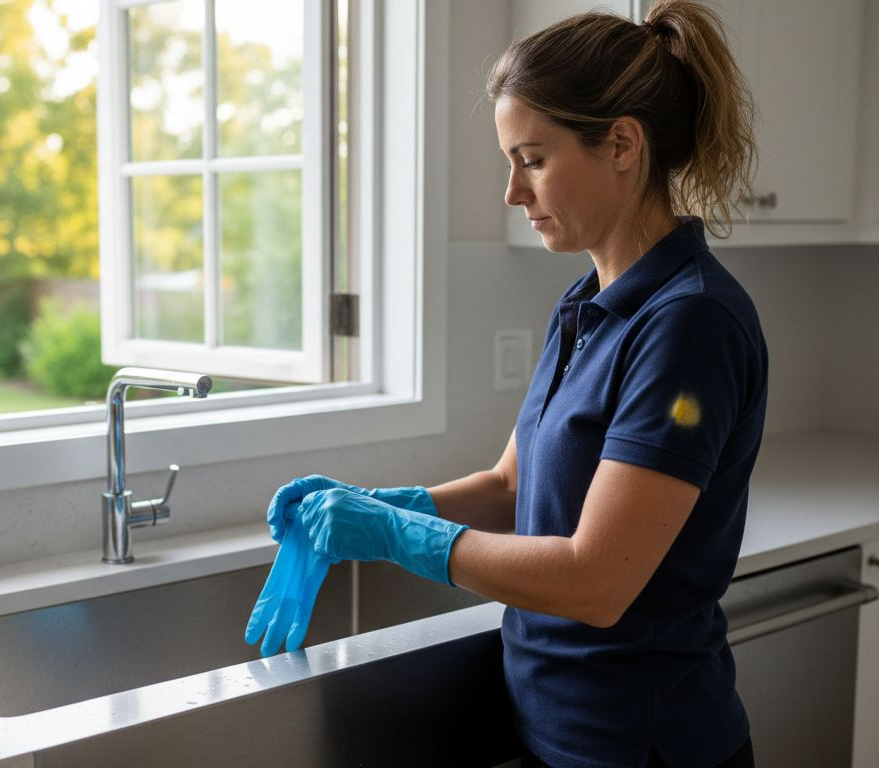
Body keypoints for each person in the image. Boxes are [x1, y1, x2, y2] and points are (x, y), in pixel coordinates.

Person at [261, 1, 766, 766]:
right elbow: (511, 485)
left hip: (636, 746)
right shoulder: (587, 302)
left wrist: (403, 537)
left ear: (622, 144)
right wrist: (386, 506)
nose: (512, 191)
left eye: (532, 159)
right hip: (550, 722)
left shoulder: (688, 328)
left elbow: (597, 581)